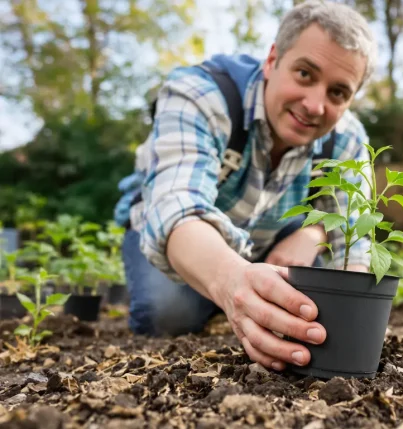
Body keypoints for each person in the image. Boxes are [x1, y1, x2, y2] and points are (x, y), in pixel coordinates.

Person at [112, 0, 377, 372]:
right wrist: (228, 281)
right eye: (305, 74)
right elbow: (177, 206)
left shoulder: (348, 139)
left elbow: (354, 241)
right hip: (178, 234)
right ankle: (207, 291)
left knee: (311, 309)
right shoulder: (203, 95)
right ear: (272, 60)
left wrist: (314, 235)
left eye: (338, 93)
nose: (315, 105)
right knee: (168, 315)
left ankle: (237, 289)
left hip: (271, 232)